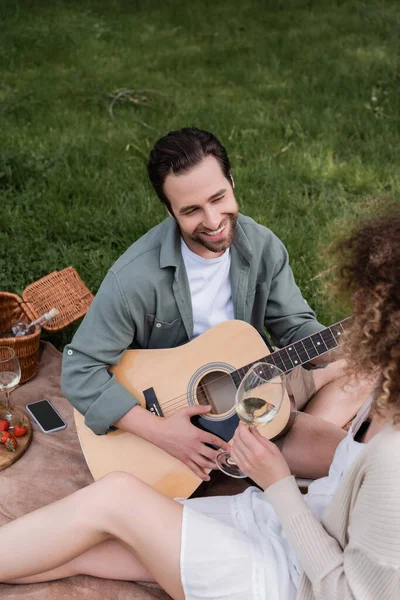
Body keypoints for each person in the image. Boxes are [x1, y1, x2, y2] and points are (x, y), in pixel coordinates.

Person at [2, 212, 400, 599]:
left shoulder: (391, 461)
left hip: (289, 578)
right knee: (85, 550)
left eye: (366, 306)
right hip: (285, 527)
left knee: (117, 497)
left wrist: (278, 483)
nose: (355, 313)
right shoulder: (386, 395)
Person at [61, 127, 371, 481]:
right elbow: (78, 370)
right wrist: (161, 432)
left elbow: (298, 328)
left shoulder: (262, 248)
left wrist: (348, 339)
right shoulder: (133, 279)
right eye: (191, 210)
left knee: (359, 463)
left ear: (232, 183)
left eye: (218, 198)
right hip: (180, 429)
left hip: (258, 398)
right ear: (169, 210)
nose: (212, 221)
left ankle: (277, 436)